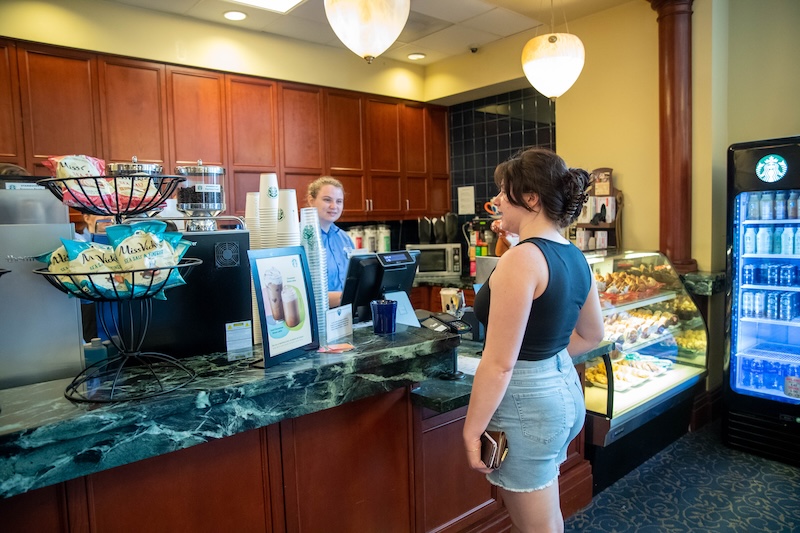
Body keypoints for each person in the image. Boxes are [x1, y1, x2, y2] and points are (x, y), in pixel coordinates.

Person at [464, 148, 604, 532]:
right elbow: (593, 335)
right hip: (563, 392)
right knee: (546, 514)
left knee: (537, 527)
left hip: (528, 406)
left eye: (503, 191)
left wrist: (472, 429)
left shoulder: (523, 259)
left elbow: (500, 362)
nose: (496, 201)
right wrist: (545, 355)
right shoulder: (573, 254)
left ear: (529, 198)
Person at [307, 176, 354, 308]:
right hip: (316, 318)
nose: (334, 206)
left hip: (345, 315)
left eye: (339, 201)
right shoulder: (301, 238)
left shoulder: (345, 239)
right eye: (327, 200)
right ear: (311, 200)